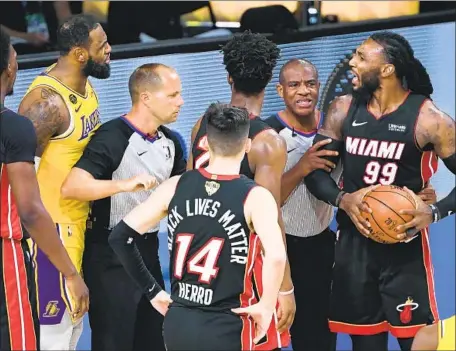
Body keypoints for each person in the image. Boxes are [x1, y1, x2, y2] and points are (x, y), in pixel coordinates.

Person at [304, 31, 456, 351]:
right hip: (354, 248)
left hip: (406, 250)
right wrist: (343, 199)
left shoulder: (430, 120)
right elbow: (315, 173)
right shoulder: (342, 109)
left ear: (387, 70)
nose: (351, 63)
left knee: (417, 344)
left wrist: (435, 211)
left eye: (361, 57)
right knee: (365, 346)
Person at [108, 103, 288, 351]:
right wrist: (267, 305)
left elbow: (120, 237)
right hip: (227, 324)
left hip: (178, 323)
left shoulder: (176, 185)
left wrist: (153, 291)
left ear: (205, 144)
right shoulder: (256, 197)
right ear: (247, 146)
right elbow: (276, 257)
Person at [61, 63, 186, 351]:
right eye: (173, 95)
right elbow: (72, 187)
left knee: (154, 339)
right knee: (114, 342)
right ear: (146, 98)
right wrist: (124, 185)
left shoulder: (172, 142)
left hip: (149, 252)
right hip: (109, 256)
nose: (180, 101)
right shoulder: (112, 137)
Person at [188, 31, 295, 342]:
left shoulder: (202, 123)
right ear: (269, 79)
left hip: (199, 259)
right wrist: (285, 288)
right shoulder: (267, 142)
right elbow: (269, 222)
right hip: (243, 266)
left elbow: (187, 188)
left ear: (228, 77)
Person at [17, 14, 111, 350]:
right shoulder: (47, 105)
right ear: (80, 54)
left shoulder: (84, 83)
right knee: (54, 337)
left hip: (78, 223)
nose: (110, 50)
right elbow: (15, 176)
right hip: (51, 234)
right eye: (102, 46)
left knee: (72, 331)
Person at [0, 26, 89, 351]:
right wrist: (70, 274)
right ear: (9, 68)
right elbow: (30, 210)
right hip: (6, 253)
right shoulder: (15, 127)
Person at [264, 58, 341, 351]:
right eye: (294, 85)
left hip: (321, 244)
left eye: (310, 84)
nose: (303, 91)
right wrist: (302, 168)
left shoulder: (333, 129)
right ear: (280, 90)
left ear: (319, 87)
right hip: (278, 248)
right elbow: (266, 202)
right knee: (272, 335)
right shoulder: (268, 135)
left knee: (319, 336)